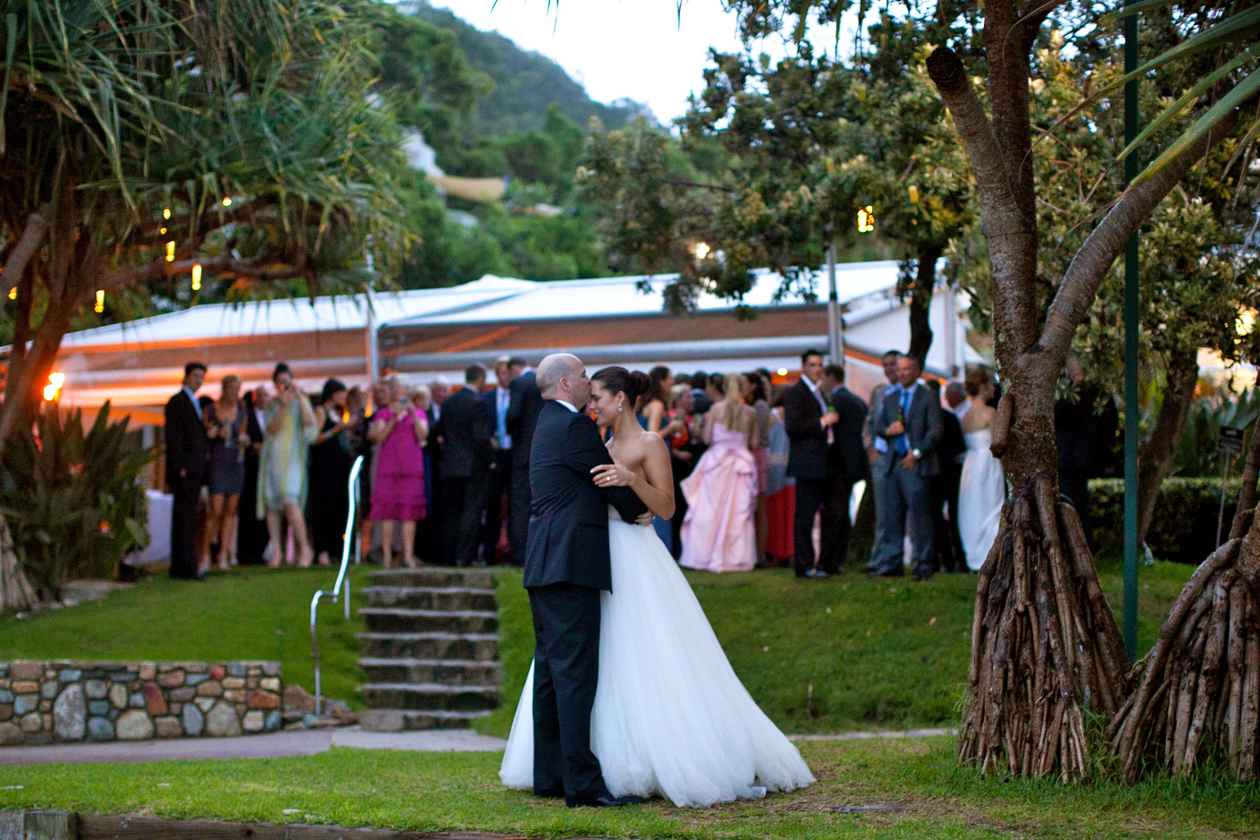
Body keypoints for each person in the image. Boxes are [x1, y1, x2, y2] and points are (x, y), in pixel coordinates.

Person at [500, 358, 814, 808]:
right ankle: (576, 777)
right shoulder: (583, 433)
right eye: (587, 388)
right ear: (568, 384)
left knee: (584, 663)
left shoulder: (623, 438)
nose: (592, 397)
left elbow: (663, 506)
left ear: (620, 398)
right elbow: (600, 487)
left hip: (605, 556)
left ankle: (565, 773)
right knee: (572, 670)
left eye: (599, 395)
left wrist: (631, 486)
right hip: (587, 557)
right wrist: (628, 502)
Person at [869, 354, 944, 581]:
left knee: (920, 517)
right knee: (891, 515)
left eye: (906, 369)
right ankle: (891, 564)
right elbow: (878, 426)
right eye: (899, 369)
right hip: (893, 463)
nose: (901, 373)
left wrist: (918, 453)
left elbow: (936, 430)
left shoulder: (928, 396)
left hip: (916, 463)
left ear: (917, 371)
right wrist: (887, 430)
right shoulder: (890, 397)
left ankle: (923, 564)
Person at [679, 373, 759, 573]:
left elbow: (707, 438)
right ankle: (735, 557)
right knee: (737, 513)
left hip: (716, 463)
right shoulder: (750, 412)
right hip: (740, 464)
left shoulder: (716, 409)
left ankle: (703, 556)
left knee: (709, 511)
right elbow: (755, 443)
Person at [783, 350, 840, 579]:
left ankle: (826, 562)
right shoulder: (796, 393)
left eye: (820, 365)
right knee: (805, 517)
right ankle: (804, 564)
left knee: (831, 513)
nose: (817, 369)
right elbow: (793, 428)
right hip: (807, 462)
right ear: (804, 367)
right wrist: (822, 421)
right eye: (813, 365)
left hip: (826, 461)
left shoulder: (821, 393)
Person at [258, 362, 317, 568]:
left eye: (287, 381)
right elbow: (271, 429)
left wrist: (299, 398)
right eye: (280, 382)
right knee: (273, 506)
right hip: (273, 458)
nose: (284, 385)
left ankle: (304, 549)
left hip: (293, 459)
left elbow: (310, 425)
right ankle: (277, 552)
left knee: (290, 503)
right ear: (275, 384)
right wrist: (282, 404)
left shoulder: (302, 400)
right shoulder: (272, 404)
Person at [435, 365, 493, 567]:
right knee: (471, 512)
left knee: (450, 513)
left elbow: (439, 430)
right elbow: (481, 438)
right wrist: (489, 457)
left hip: (450, 466)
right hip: (472, 467)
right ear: (481, 379)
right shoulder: (479, 403)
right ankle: (464, 556)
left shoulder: (449, 402)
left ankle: (448, 556)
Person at [368, 378, 427, 569]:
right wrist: (393, 418)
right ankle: (386, 555)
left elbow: (423, 436)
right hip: (389, 468)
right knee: (387, 511)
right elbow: (379, 437)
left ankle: (408, 554)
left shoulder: (418, 413)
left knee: (409, 512)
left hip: (411, 468)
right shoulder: (383, 414)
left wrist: (413, 415)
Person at [1055, 357, 1118, 530]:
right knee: (1072, 503)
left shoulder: (1092, 391)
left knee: (1077, 504)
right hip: (1067, 458)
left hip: (1077, 458)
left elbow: (1109, 421)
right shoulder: (1063, 390)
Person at [164, 362, 209, 581]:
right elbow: (174, 438)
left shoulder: (194, 403)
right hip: (185, 470)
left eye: (202, 377)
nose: (199, 380)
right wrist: (179, 466)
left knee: (189, 518)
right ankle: (183, 566)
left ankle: (185, 564)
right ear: (187, 377)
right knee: (184, 518)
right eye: (196, 376)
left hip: (194, 469)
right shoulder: (177, 402)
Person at [958, 367, 1005, 571]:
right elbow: (998, 442)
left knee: (973, 507)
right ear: (983, 387)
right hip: (988, 463)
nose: (994, 390)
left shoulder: (965, 415)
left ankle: (975, 553)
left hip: (970, 465)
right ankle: (989, 552)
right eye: (991, 385)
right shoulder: (990, 412)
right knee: (991, 505)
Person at [825, 363, 869, 572]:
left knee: (837, 511)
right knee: (843, 510)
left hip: (839, 465)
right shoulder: (857, 400)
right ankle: (841, 555)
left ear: (831, 377)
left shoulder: (837, 400)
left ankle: (834, 558)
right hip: (854, 464)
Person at [203, 375, 249, 571]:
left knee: (231, 510)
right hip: (218, 460)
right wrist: (213, 434)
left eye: (238, 389)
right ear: (224, 389)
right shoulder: (211, 410)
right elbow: (205, 433)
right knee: (215, 510)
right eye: (232, 388)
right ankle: (204, 553)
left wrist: (244, 440)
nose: (235, 393)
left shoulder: (242, 411)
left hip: (235, 462)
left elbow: (244, 434)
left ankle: (224, 553)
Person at [308, 378, 353, 567]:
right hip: (324, 468)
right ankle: (322, 550)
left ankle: (337, 549)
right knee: (323, 507)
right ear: (333, 394)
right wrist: (336, 430)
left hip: (340, 468)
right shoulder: (321, 412)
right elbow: (314, 438)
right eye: (342, 394)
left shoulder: (340, 413)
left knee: (338, 507)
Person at [865, 350, 901, 571]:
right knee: (883, 513)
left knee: (898, 511)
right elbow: (869, 422)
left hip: (901, 457)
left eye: (893, 364)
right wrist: (869, 447)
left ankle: (893, 559)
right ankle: (879, 558)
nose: (889, 369)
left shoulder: (910, 392)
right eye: (885, 365)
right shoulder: (879, 392)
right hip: (880, 457)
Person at [639, 365, 681, 552]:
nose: (672, 382)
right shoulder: (657, 405)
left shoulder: (644, 404)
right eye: (670, 378)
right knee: (661, 502)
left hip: (646, 462)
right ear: (662, 381)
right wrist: (671, 428)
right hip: (655, 462)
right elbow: (653, 435)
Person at [507, 356, 543, 567]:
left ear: (515, 369)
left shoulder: (519, 383)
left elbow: (513, 415)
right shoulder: (544, 381)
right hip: (544, 450)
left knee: (520, 504)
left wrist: (513, 435)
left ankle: (521, 553)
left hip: (522, 452)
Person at [481, 357, 517, 565]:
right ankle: (489, 551)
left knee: (514, 504)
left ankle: (512, 550)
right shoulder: (488, 398)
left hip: (513, 454)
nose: (506, 377)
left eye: (508, 373)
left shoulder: (519, 395)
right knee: (492, 504)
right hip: (494, 456)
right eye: (502, 373)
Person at [929, 379, 967, 573]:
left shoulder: (936, 418)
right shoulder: (949, 417)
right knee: (950, 515)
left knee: (940, 515)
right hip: (949, 472)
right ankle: (954, 558)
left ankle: (948, 557)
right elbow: (960, 447)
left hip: (941, 473)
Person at [667, 383, 704, 560]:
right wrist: (677, 453)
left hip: (686, 470)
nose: (692, 400)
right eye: (688, 396)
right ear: (678, 399)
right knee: (679, 511)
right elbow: (669, 442)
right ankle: (676, 551)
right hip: (676, 470)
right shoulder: (673, 418)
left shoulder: (690, 418)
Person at [237, 385, 270, 565]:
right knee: (248, 508)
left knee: (264, 510)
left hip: (267, 469)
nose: (265, 398)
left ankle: (259, 551)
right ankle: (245, 552)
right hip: (251, 468)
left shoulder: (271, 416)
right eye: (262, 395)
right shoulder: (247, 415)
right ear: (255, 397)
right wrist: (252, 447)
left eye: (267, 395)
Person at [764, 389, 795, 566]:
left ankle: (779, 551)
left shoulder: (773, 416)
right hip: (783, 466)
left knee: (779, 510)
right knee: (785, 511)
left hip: (776, 466)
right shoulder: (778, 416)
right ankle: (783, 551)